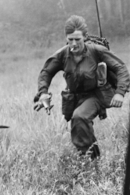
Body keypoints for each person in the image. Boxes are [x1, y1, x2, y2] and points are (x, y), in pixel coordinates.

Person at [35, 15, 130, 159]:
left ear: (85, 37)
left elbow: (121, 68)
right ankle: (93, 160)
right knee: (80, 125)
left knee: (79, 117)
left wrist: (119, 93)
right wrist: (43, 93)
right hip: (75, 97)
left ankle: (88, 162)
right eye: (70, 39)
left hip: (97, 95)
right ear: (66, 38)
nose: (73, 43)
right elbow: (46, 72)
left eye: (77, 39)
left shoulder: (97, 51)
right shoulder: (62, 55)